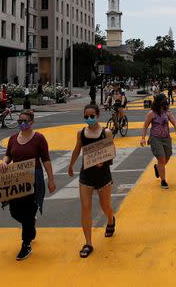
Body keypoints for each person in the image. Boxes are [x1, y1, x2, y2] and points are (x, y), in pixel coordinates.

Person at [0, 110, 56, 261]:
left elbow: (46, 160)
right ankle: (30, 223)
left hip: (33, 179)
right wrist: (4, 162)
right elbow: (9, 155)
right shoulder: (12, 138)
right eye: (19, 121)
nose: (22, 124)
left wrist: (51, 179)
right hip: (16, 180)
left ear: (31, 122)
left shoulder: (39, 139)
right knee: (15, 212)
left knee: (28, 209)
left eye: (25, 121)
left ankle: (26, 243)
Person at [67, 104, 115, 259]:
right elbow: (76, 149)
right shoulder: (81, 133)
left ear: (98, 115)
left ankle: (110, 219)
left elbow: (111, 153)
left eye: (92, 116)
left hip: (103, 175)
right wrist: (71, 165)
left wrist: (104, 161)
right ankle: (88, 243)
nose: (89, 119)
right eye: (86, 116)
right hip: (86, 175)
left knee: (105, 205)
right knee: (85, 208)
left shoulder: (106, 132)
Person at [141, 94, 176, 190]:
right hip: (155, 138)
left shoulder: (167, 112)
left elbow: (174, 122)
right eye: (163, 100)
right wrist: (143, 138)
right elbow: (145, 126)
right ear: (158, 102)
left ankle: (158, 167)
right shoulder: (152, 113)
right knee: (161, 158)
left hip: (166, 138)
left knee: (168, 155)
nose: (165, 102)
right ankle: (163, 181)